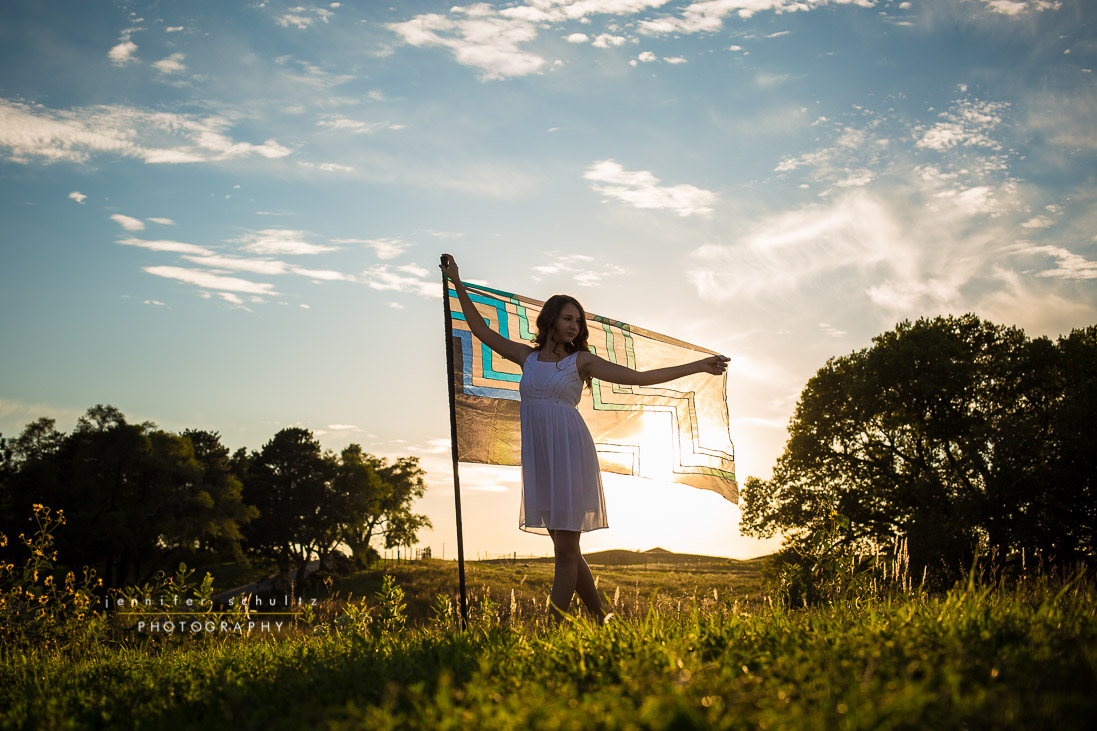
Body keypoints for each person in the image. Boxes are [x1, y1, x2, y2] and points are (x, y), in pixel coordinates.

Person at [440, 254, 729, 624]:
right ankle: (602, 620)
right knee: (568, 551)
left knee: (564, 552)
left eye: (578, 320)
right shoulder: (527, 358)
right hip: (541, 457)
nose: (575, 325)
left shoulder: (581, 362)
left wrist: (698, 365)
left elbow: (639, 378)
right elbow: (481, 331)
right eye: (568, 318)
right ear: (550, 321)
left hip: (571, 453)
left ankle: (551, 631)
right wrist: (456, 282)